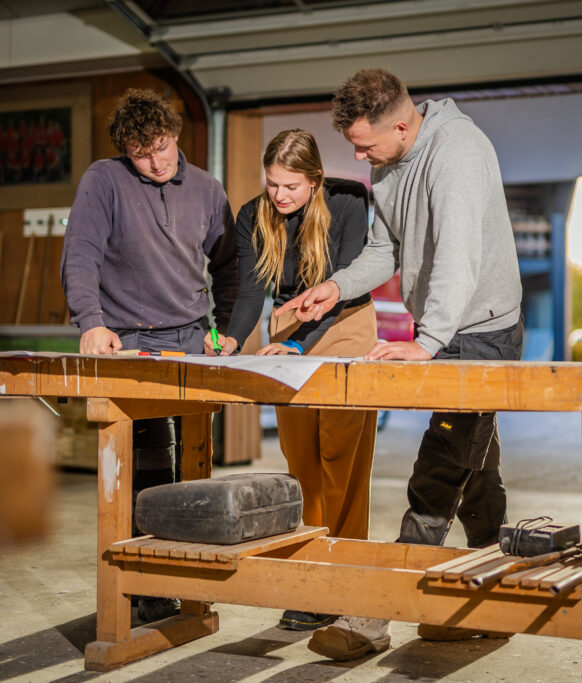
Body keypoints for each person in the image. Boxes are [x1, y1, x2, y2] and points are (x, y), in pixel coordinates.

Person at [279, 68, 524, 660]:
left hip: (482, 332)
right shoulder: (388, 160)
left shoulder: (457, 153)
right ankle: (493, 601)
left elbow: (459, 256)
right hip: (446, 327)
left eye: (364, 145)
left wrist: (428, 339)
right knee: (474, 468)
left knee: (438, 470)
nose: (358, 157)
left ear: (401, 126)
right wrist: (337, 287)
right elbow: (384, 248)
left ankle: (374, 616)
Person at [60, 87, 238, 623]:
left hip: (192, 338)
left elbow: (229, 266)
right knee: (150, 463)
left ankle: (192, 576)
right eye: (141, 155)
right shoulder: (104, 181)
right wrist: (91, 322)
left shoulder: (207, 189)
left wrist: (227, 329)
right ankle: (149, 586)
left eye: (161, 147)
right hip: (130, 340)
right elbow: (81, 255)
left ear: (175, 135)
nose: (156, 163)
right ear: (125, 152)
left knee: (197, 464)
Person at [205, 129, 379, 632]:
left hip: (345, 322)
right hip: (287, 329)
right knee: (300, 458)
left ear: (315, 179)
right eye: (273, 183)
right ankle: (312, 570)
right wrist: (232, 341)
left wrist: (302, 345)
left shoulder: (349, 200)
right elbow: (250, 293)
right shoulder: (252, 215)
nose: (279, 195)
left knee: (340, 456)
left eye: (292, 186)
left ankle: (344, 575)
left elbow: (344, 285)